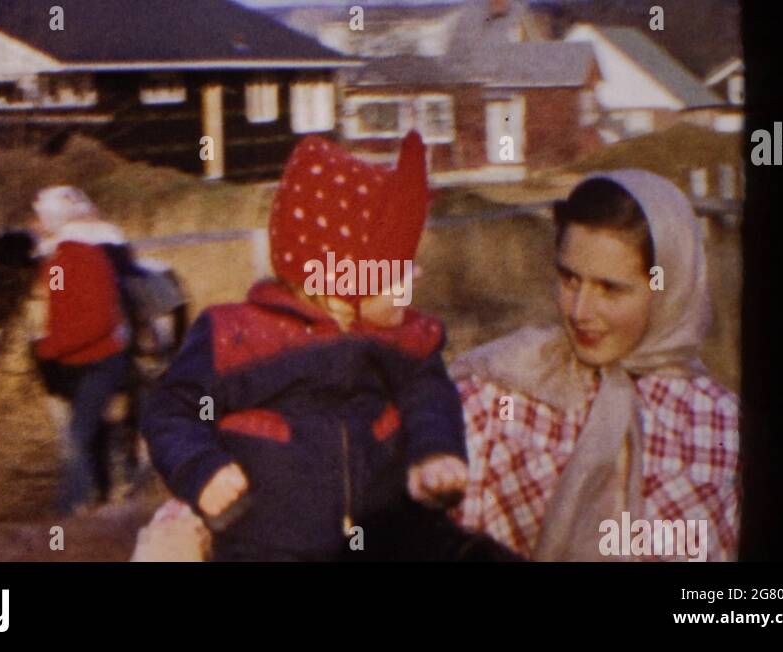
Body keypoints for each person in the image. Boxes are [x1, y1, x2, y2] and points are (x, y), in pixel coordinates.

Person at [139, 132, 475, 561]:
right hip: (265, 547)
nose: (418, 275)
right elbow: (171, 408)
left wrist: (436, 451)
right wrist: (200, 467)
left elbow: (428, 394)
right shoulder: (237, 337)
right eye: (401, 266)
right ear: (346, 275)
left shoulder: (402, 341)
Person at [450, 170, 741, 561]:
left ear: (666, 288)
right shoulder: (499, 393)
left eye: (611, 289)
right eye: (569, 279)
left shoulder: (719, 425)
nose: (581, 311)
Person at [27, 186, 132, 515]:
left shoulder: (87, 260)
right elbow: (59, 307)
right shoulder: (55, 266)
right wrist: (50, 342)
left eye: (41, 221)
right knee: (88, 431)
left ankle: (71, 509)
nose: (36, 226)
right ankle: (103, 492)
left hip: (101, 361)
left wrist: (53, 345)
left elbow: (100, 321)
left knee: (76, 436)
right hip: (73, 362)